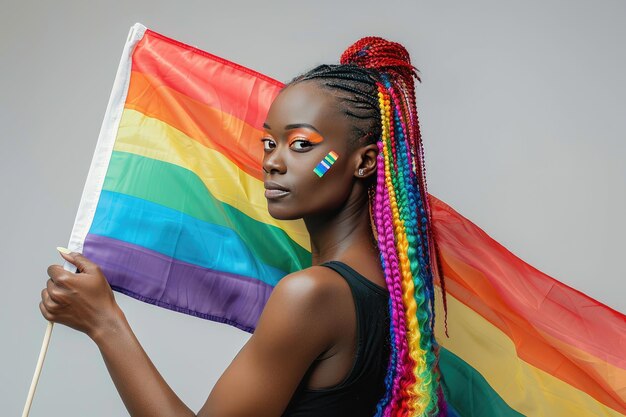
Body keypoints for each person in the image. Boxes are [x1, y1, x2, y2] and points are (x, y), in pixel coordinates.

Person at [39, 37, 447, 417]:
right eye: (270, 143)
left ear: (363, 161)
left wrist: (104, 322)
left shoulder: (311, 295)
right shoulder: (399, 296)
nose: (272, 162)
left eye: (302, 144)